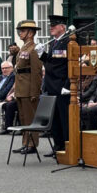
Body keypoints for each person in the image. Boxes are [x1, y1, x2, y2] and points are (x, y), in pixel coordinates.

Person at [38, 15, 71, 156]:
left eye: (55, 25)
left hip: (61, 85)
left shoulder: (68, 42)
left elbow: (69, 65)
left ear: (62, 27)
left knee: (64, 118)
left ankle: (67, 146)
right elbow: (52, 62)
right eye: (51, 25)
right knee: (55, 118)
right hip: (51, 85)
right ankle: (58, 145)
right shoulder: (53, 42)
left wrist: (68, 85)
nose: (51, 27)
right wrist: (42, 55)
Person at [11, 20, 44, 155]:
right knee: (24, 118)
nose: (20, 33)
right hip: (21, 88)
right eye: (20, 30)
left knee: (30, 117)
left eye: (23, 30)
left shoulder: (33, 49)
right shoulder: (23, 48)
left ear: (31, 33)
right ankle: (25, 142)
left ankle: (32, 144)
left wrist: (34, 92)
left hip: (29, 88)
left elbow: (36, 72)